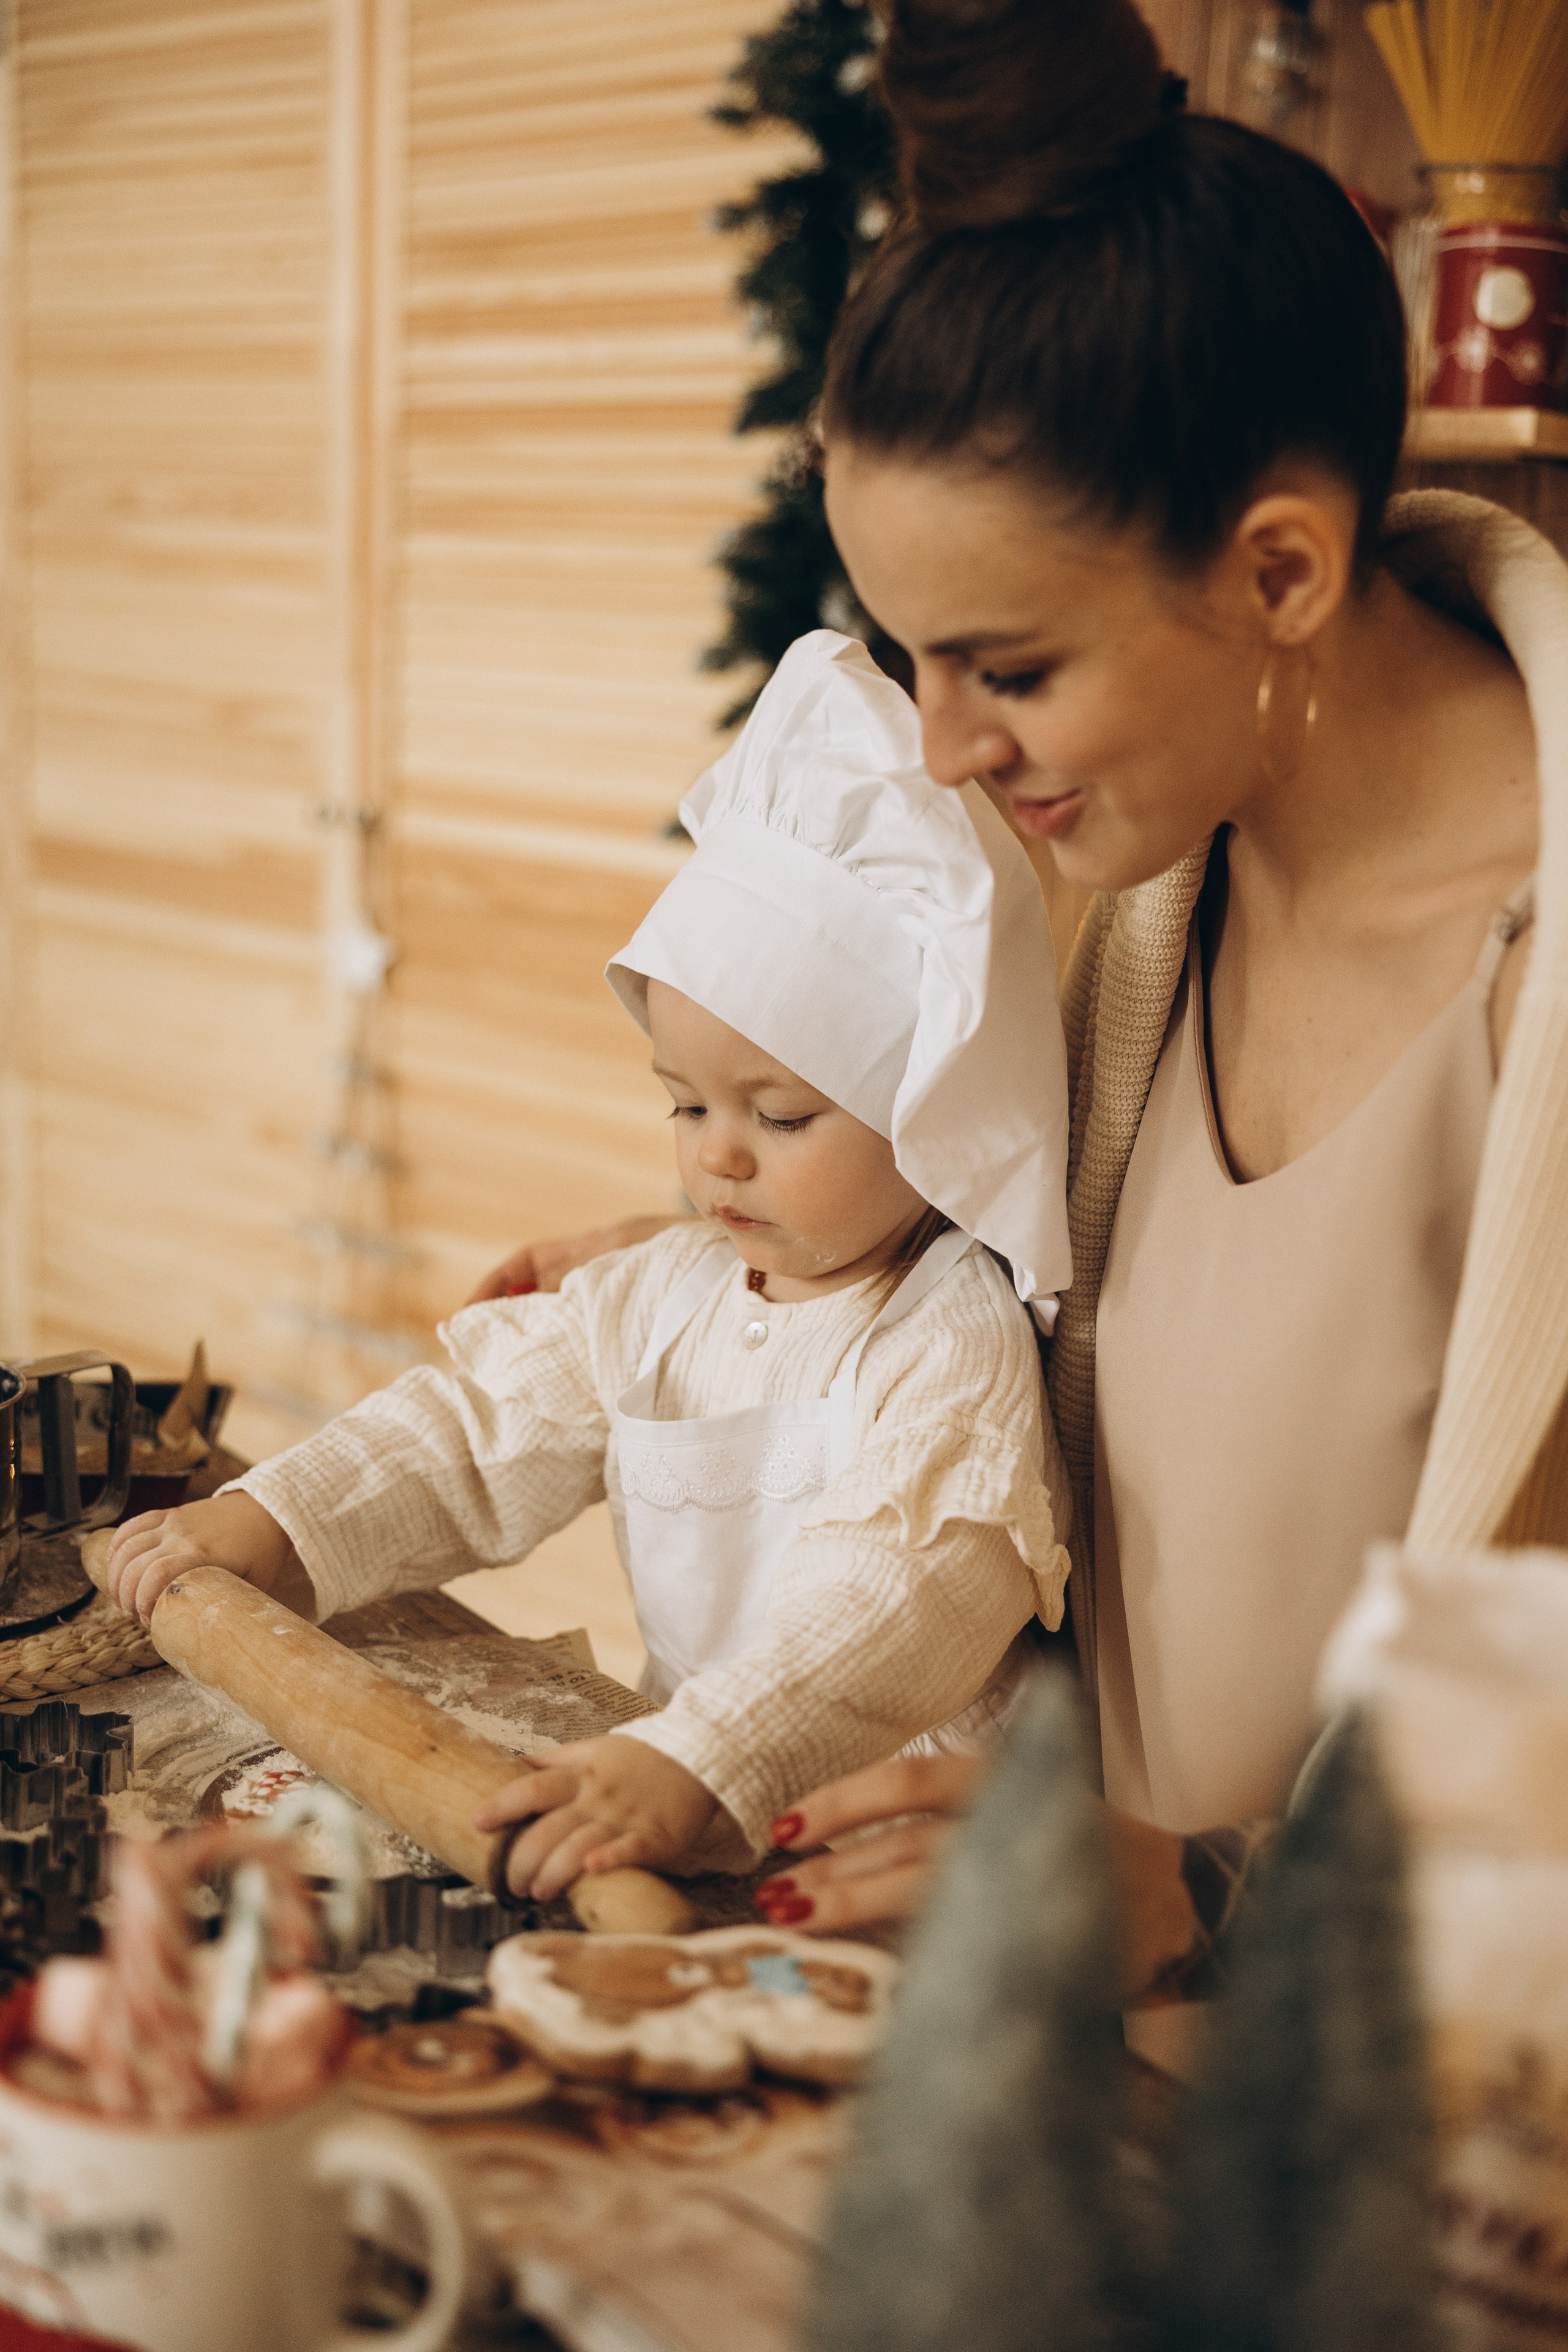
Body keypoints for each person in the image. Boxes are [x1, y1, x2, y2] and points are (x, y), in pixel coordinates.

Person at [476, 0, 1568, 2040]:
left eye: (1012, 668)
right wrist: (786, 1275)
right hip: (1057, 2080)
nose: (947, 751)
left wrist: (1211, 1890)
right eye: (913, 660)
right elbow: (1054, 1353)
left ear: (1281, 572)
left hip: (1402, 2140)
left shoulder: (1532, 976)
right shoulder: (1137, 891)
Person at [104, 631, 1076, 1901]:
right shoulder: (662, 1295)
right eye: (685, 1104)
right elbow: (470, 1436)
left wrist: (698, 1758)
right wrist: (279, 1521)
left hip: (884, 1865)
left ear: (930, 1114)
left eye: (782, 1117)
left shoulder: (948, 1343)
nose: (717, 1157)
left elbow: (891, 1609)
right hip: (658, 1809)